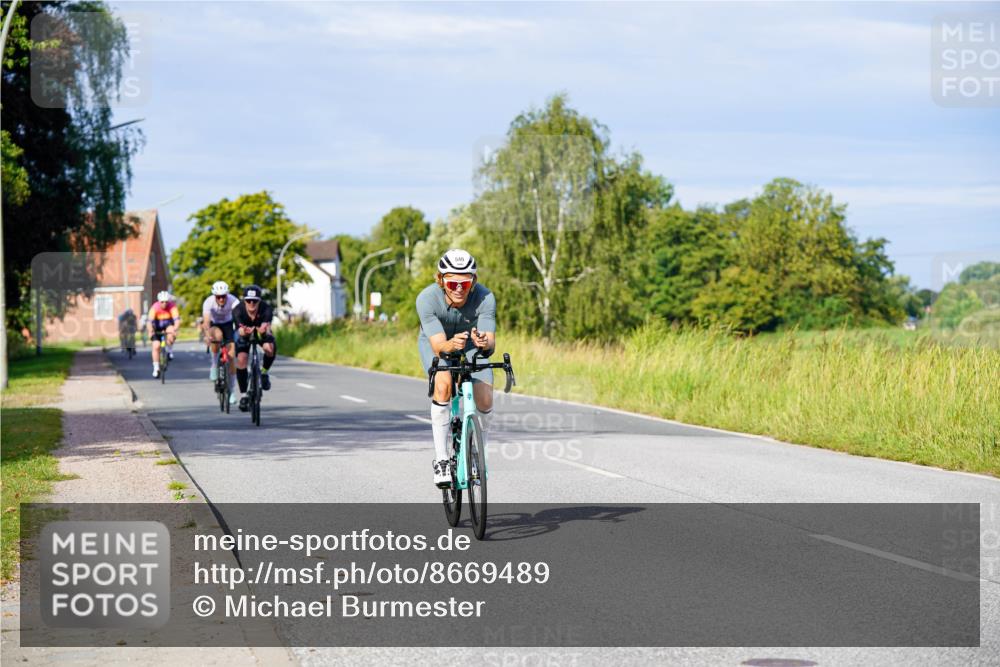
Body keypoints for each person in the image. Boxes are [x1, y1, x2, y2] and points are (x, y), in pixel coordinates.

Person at [416, 249, 496, 488]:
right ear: (441, 281)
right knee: (443, 385)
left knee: (485, 397)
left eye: (466, 282)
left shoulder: (485, 297)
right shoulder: (427, 299)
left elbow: (490, 343)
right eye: (452, 282)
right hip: (437, 343)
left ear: (474, 281)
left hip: (471, 344)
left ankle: (478, 453)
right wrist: (449, 346)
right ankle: (441, 460)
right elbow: (440, 346)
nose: (459, 288)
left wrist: (483, 342)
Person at [232, 285, 277, 411]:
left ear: (259, 301)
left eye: (255, 301)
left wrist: (263, 331)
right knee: (241, 359)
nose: (251, 304)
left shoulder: (266, 309)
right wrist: (245, 331)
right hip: (244, 333)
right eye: (248, 301)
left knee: (269, 348)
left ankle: (264, 372)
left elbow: (266, 328)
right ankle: (244, 395)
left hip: (260, 331)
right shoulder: (238, 310)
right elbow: (240, 331)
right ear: (244, 300)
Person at [201, 280, 239, 405]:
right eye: (219, 297)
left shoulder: (233, 300)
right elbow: (206, 322)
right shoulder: (208, 302)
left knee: (232, 356)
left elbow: (239, 315)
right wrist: (207, 336)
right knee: (217, 335)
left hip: (228, 324)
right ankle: (213, 364)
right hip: (214, 324)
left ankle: (232, 391)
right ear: (215, 296)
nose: (222, 299)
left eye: (224, 296)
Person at [147, 291, 180, 378]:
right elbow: (149, 322)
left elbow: (176, 320)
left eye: (166, 301)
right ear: (159, 301)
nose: (164, 304)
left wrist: (175, 329)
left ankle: (169, 350)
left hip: (168, 326)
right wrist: (150, 331)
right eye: (162, 302)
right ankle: (156, 368)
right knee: (156, 346)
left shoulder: (172, 306)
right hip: (157, 327)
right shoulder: (154, 307)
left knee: (171, 331)